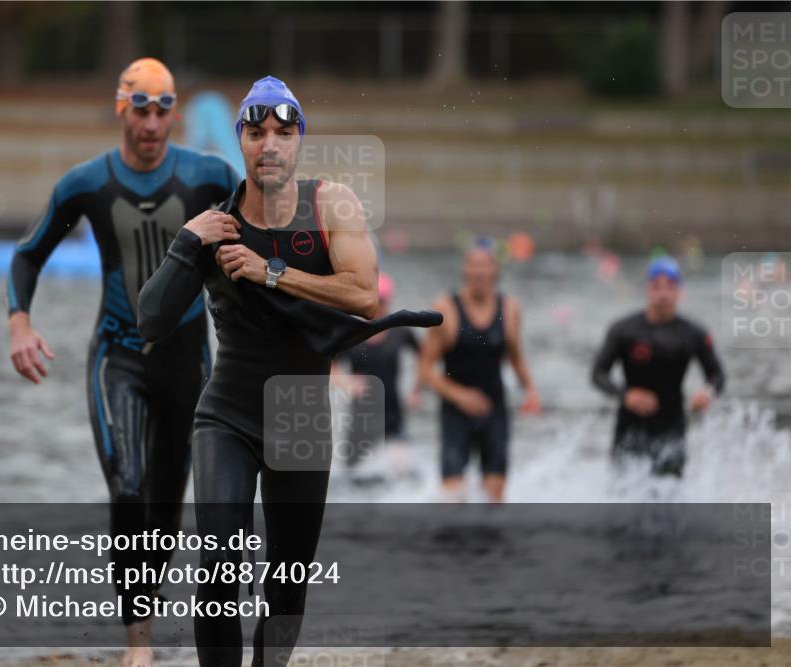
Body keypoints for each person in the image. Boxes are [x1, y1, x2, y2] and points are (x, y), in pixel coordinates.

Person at [137, 75, 441, 667]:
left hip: (301, 415)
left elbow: (363, 296)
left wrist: (268, 270)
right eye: (256, 133)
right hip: (227, 411)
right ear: (242, 142)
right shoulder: (215, 223)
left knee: (288, 579)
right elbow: (150, 320)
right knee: (220, 565)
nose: (269, 144)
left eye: (282, 131)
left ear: (299, 139)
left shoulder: (330, 204)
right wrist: (184, 242)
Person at [6, 58, 239, 667]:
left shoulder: (210, 174)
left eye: (163, 108)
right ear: (121, 108)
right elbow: (29, 255)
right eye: (141, 107)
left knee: (164, 506)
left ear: (176, 114)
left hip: (189, 363)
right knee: (128, 485)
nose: (153, 121)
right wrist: (20, 323)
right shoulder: (86, 183)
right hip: (119, 356)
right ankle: (139, 644)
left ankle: (152, 613)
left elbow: (261, 233)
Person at [418, 241, 541, 503]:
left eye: (485, 265)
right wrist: (461, 396)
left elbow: (516, 357)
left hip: (494, 407)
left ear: (495, 270)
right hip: (455, 410)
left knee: (495, 495)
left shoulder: (509, 308)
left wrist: (530, 389)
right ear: (465, 270)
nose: (479, 272)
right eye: (474, 265)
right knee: (453, 496)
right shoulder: (446, 308)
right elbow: (426, 370)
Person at [591, 256, 725, 477]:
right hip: (629, 426)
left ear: (680, 291)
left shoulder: (693, 334)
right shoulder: (624, 330)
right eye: (657, 287)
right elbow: (598, 374)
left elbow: (717, 375)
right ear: (647, 289)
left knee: (668, 501)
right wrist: (626, 395)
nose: (663, 294)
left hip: (671, 426)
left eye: (670, 287)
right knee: (623, 500)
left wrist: (707, 393)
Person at [331, 273, 422, 477]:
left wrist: (416, 390)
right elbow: (330, 368)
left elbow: (426, 358)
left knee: (404, 477)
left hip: (393, 417)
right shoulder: (352, 334)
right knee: (353, 479)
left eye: (383, 302)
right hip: (360, 420)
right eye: (374, 301)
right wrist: (347, 383)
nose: (378, 307)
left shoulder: (400, 332)